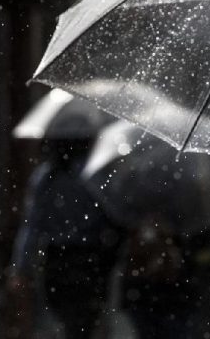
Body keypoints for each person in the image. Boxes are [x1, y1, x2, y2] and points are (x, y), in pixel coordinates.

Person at [9, 138, 124, 339]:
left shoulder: (46, 176)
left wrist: (21, 267)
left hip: (57, 259)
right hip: (90, 258)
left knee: (62, 318)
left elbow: (32, 225)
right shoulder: (94, 172)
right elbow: (110, 214)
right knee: (85, 320)